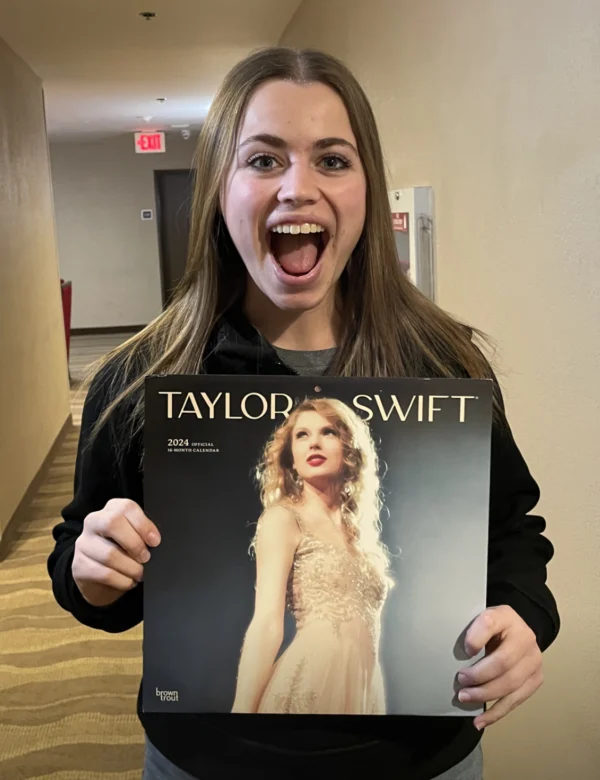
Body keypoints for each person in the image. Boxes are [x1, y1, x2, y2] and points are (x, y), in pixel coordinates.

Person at [47, 46, 560, 780]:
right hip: (212, 764)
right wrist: (92, 572)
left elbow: (510, 530)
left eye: (332, 159)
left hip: (420, 758)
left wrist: (525, 617)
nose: (297, 187)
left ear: (366, 188)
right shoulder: (139, 381)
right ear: (220, 189)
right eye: (262, 160)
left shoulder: (445, 365)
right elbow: (86, 564)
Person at [232, 397, 391, 716]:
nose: (314, 443)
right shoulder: (284, 518)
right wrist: (240, 713)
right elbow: (266, 623)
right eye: (302, 435)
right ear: (291, 457)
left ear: (349, 447)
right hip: (311, 680)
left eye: (328, 432)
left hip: (363, 686)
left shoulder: (359, 532)